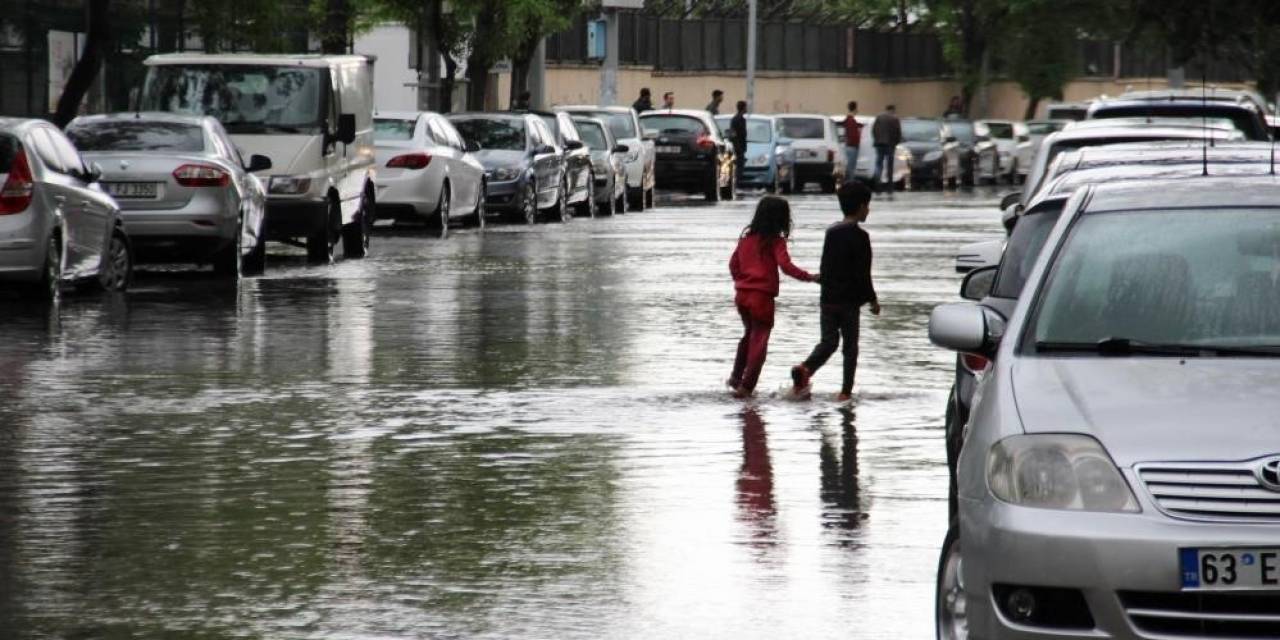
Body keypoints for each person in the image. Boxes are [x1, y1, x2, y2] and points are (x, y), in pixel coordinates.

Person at [791, 181, 880, 402]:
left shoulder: (831, 232)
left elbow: (826, 266)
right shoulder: (861, 237)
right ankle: (845, 392)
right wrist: (873, 300)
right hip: (849, 303)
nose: (868, 210)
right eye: (868, 206)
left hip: (828, 299)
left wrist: (824, 283)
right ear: (860, 206)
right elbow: (863, 273)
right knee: (850, 348)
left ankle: (806, 369)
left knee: (829, 342)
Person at [728, 197, 818, 399]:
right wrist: (810, 277)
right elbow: (786, 267)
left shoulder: (745, 241)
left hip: (742, 295)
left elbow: (733, 265)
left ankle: (735, 378)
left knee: (748, 334)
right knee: (759, 341)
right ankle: (746, 388)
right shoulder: (776, 242)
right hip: (762, 298)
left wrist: (742, 282)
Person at [871, 104, 902, 199]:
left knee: (879, 165)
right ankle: (889, 188)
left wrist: (876, 140)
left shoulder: (879, 117)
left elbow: (874, 130)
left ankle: (877, 185)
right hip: (890, 144)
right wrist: (896, 142)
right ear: (892, 110)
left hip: (879, 144)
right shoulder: (894, 118)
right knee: (889, 166)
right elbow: (898, 132)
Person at [841, 101, 862, 185]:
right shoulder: (851, 120)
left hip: (849, 145)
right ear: (855, 109)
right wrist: (857, 144)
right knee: (851, 166)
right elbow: (853, 135)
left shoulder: (848, 120)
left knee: (850, 166)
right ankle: (850, 183)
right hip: (852, 146)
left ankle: (849, 182)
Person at [730, 100, 748, 181]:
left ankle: (736, 184)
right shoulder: (736, 119)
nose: (746, 109)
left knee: (740, 168)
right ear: (743, 108)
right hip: (738, 148)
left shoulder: (742, 119)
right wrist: (738, 148)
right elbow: (733, 135)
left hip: (741, 147)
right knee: (738, 168)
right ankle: (735, 184)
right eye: (746, 107)